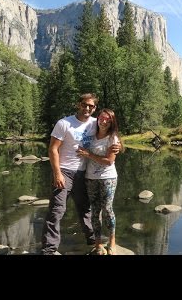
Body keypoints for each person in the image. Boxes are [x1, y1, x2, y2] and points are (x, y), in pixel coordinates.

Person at [40, 93, 119, 255]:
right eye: (85, 105)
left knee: (86, 209)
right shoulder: (64, 123)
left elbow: (110, 134)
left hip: (84, 174)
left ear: (95, 108)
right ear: (78, 104)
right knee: (56, 210)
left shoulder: (94, 123)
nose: (87, 108)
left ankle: (92, 239)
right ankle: (49, 249)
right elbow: (53, 149)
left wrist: (119, 146)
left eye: (91, 106)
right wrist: (57, 173)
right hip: (64, 171)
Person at [77, 108, 123, 255]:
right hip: (90, 178)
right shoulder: (91, 134)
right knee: (95, 212)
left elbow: (109, 161)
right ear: (98, 119)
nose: (104, 121)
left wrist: (89, 154)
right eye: (102, 118)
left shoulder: (112, 138)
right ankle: (98, 244)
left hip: (108, 178)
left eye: (108, 120)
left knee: (108, 210)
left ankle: (112, 242)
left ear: (111, 122)